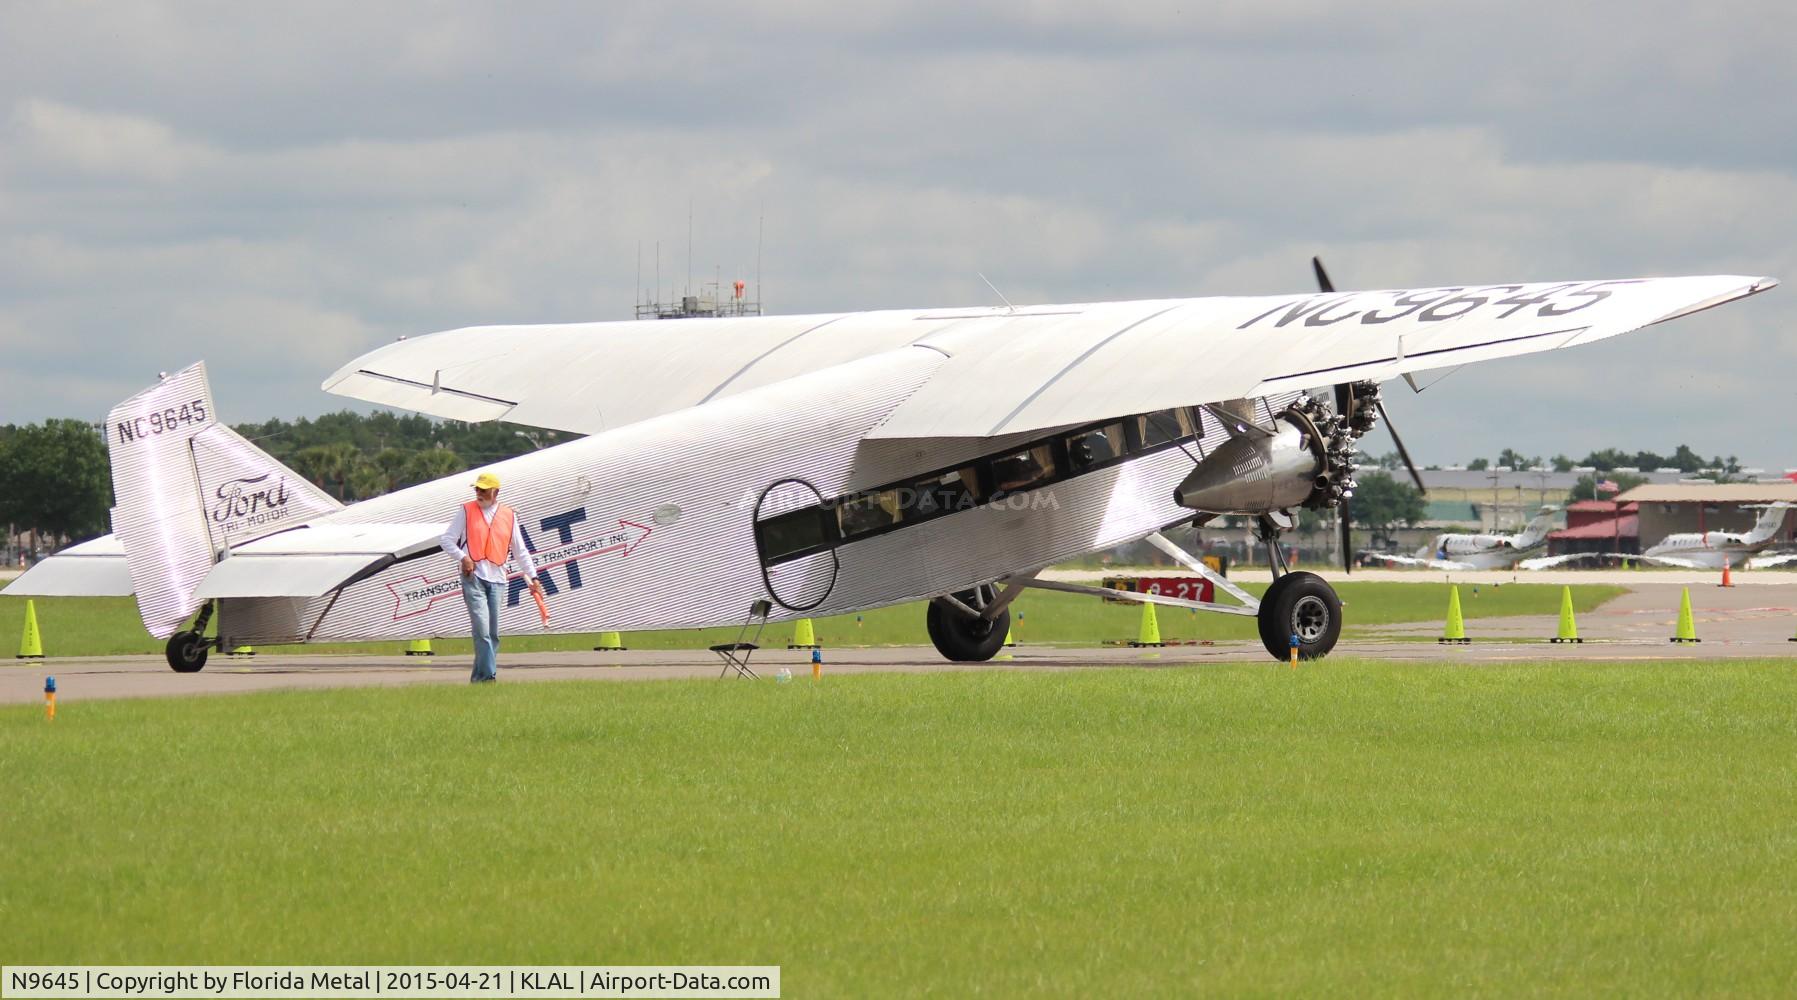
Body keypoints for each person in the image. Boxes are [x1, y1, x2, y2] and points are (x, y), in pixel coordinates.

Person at [440, 471, 544, 683]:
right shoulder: (466, 510)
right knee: (482, 629)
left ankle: (479, 679)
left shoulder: (509, 515)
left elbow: (520, 550)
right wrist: (463, 557)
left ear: (496, 492)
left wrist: (533, 577)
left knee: (492, 633)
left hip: (498, 579)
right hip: (474, 577)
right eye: (477, 489)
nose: (479, 493)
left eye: (484, 490)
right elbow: (447, 540)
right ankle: (489, 677)